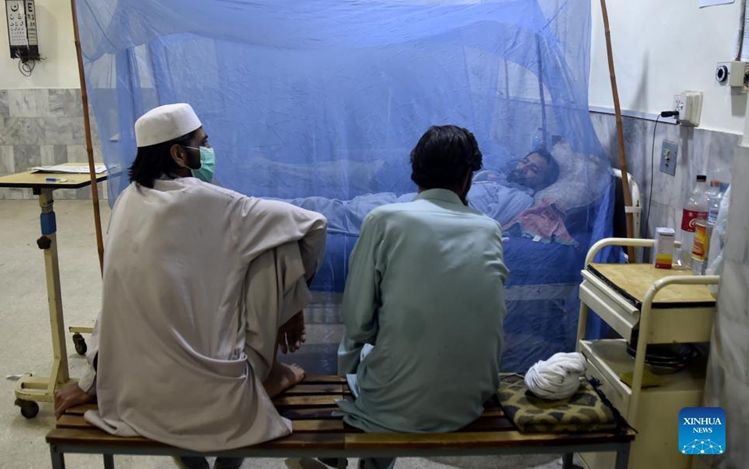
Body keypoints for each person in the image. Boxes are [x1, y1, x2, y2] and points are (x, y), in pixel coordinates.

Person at [53, 103, 327, 463]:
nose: (209, 151)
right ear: (179, 153)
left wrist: (92, 380)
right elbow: (314, 224)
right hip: (215, 395)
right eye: (203, 142)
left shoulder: (125, 203)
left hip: (135, 393)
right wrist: (294, 305)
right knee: (278, 248)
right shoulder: (224, 205)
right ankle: (269, 373)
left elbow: (113, 303)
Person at [336, 125, 509, 469]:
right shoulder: (490, 229)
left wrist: (350, 369)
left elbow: (357, 319)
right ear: (467, 177)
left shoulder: (384, 220)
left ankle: (364, 459)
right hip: (468, 402)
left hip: (393, 401)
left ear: (417, 173)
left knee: (374, 365)